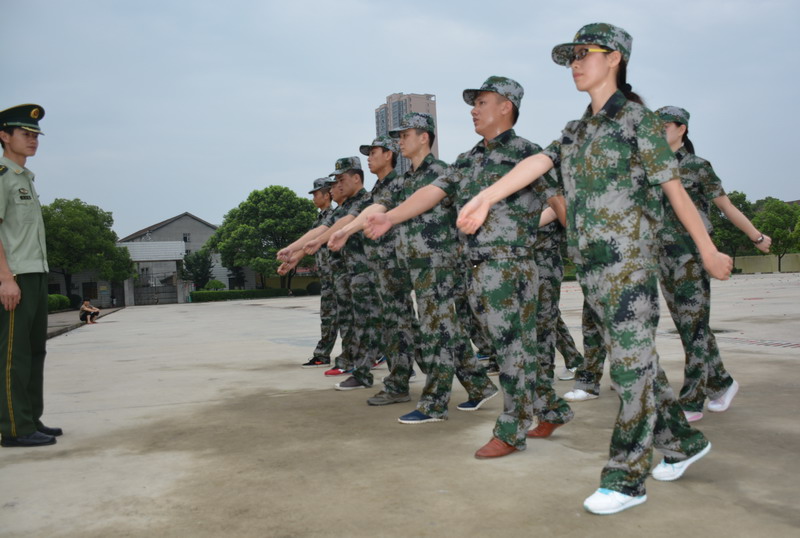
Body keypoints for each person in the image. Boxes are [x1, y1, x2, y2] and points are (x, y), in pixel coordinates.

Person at [455, 24, 733, 514]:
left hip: (630, 268)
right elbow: (538, 164)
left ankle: (626, 478)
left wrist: (707, 249)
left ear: (615, 58)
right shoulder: (576, 130)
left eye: (585, 54)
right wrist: (486, 197)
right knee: (640, 366)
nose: (576, 64)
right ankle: (682, 442)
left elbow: (675, 191)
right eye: (572, 57)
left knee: (627, 371)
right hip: (591, 270)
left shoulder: (638, 122)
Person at [366, 78, 560, 457]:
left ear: (506, 106)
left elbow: (558, 200)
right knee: (511, 349)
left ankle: (511, 430)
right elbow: (433, 191)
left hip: (513, 267)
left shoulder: (527, 153)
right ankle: (553, 408)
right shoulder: (469, 158)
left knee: (512, 351)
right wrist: (391, 217)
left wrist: (582, 247)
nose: (474, 110)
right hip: (475, 268)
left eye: (482, 102)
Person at [333, 113, 497, 421]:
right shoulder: (405, 179)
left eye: (405, 135)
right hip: (416, 266)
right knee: (446, 330)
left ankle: (434, 404)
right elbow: (378, 206)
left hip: (439, 265)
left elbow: (473, 211)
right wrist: (347, 230)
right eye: (398, 136)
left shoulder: (442, 173)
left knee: (435, 334)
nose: (400, 141)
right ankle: (479, 385)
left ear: (424, 137)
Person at [655, 105, 771, 421]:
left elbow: (726, 207)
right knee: (689, 327)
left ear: (681, 128)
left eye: (664, 127)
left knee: (693, 327)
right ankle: (722, 382)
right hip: (663, 257)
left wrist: (756, 236)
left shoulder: (697, 167)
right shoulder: (652, 169)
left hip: (693, 255)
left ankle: (692, 399)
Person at [0, 104, 62, 448]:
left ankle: (30, 418)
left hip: (36, 273)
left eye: (36, 135)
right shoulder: (2, 177)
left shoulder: (25, 179)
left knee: (36, 351)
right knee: (14, 355)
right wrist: (5, 278)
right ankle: (14, 427)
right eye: (25, 134)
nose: (33, 140)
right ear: (4, 136)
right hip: (15, 277)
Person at [300, 178, 339, 368]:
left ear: (327, 194)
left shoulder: (334, 216)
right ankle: (322, 355)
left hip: (337, 275)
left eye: (316, 194)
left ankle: (373, 353)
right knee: (329, 315)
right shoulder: (320, 218)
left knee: (347, 317)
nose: (314, 198)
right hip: (327, 276)